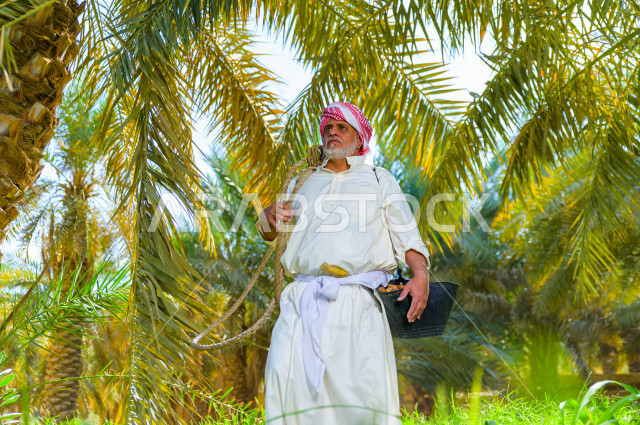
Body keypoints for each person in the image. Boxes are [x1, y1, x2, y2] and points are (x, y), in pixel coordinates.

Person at [258, 101, 431, 425]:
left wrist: (420, 274)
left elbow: (408, 237)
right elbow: (272, 232)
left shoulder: (379, 179)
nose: (332, 132)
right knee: (285, 386)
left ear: (359, 136)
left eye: (341, 127)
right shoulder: (303, 182)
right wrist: (266, 217)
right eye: (327, 127)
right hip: (301, 301)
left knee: (360, 402)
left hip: (358, 304)